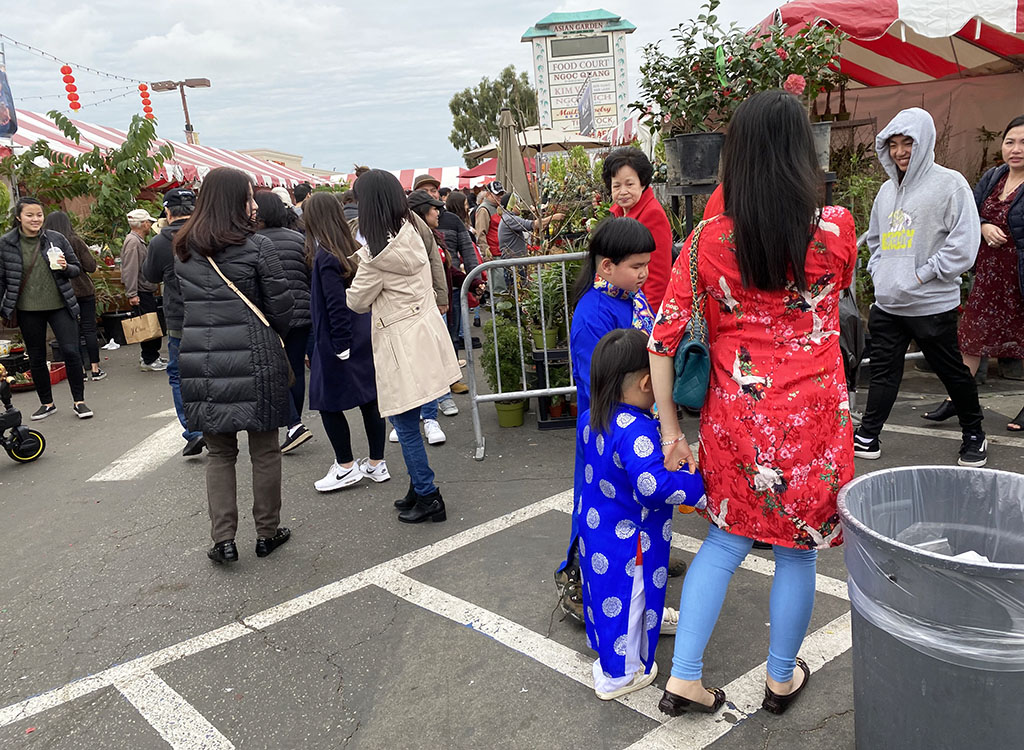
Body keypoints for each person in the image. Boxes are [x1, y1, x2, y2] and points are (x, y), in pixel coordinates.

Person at [648, 90, 857, 717]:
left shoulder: (707, 240)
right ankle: (780, 678)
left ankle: (684, 677)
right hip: (814, 418)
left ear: (733, 156)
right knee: (798, 548)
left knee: (724, 541)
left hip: (738, 415)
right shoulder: (837, 230)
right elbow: (831, 304)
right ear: (802, 154)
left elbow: (663, 340)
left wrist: (670, 430)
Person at [173, 167, 294, 564]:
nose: (255, 204)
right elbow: (282, 309)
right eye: (248, 197)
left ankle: (223, 539)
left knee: (220, 454)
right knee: (265, 450)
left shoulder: (184, 249)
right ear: (232, 201)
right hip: (256, 356)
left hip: (201, 357)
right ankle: (267, 531)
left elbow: (178, 310)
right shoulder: (257, 246)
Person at [854, 107, 987, 467]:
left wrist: (923, 274)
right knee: (883, 371)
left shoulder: (950, 184)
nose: (899, 152)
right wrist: (881, 272)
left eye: (907, 143)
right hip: (889, 303)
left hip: (931, 303)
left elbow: (964, 244)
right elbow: (878, 241)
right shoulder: (885, 191)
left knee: (951, 372)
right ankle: (868, 433)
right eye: (893, 144)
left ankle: (974, 433)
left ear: (924, 141)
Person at [579, 328, 706, 700]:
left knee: (607, 595)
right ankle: (620, 673)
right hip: (631, 539)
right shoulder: (635, 428)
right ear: (650, 381)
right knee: (630, 597)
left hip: (599, 528)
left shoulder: (592, 417)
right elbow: (653, 487)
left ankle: (621, 648)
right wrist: (699, 490)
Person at [346, 170, 462, 524]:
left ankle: (428, 495)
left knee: (406, 425)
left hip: (399, 344)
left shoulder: (376, 256)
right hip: (423, 336)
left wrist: (355, 267)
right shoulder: (410, 232)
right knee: (411, 419)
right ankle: (417, 487)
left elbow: (356, 301)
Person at [556, 217, 656, 623]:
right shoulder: (592, 313)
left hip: (638, 422)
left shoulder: (633, 298)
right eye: (636, 266)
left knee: (635, 502)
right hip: (608, 428)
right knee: (601, 510)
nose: (645, 273)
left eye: (647, 264)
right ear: (606, 266)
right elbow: (599, 382)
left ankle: (643, 563)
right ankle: (580, 583)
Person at [923, 115, 1024, 432]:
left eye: (1023, 143)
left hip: (1019, 275)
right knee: (970, 339)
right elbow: (970, 213)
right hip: (990, 274)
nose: (1016, 149)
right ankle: (958, 400)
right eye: (1010, 141)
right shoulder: (993, 176)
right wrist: (983, 226)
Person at [302, 192, 389, 491]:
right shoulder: (353, 249)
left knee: (326, 402)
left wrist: (339, 344)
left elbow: (335, 304)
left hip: (338, 339)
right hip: (364, 330)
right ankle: (377, 463)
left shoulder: (326, 255)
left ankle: (346, 466)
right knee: (370, 399)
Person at [0, 197, 92, 419]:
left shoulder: (55, 238)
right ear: (19, 218)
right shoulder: (6, 243)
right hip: (27, 309)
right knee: (37, 357)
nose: (35, 219)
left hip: (60, 305)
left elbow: (76, 268)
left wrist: (65, 266)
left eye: (39, 215)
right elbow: (2, 278)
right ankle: (47, 403)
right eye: (29, 215)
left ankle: (79, 401)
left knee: (71, 351)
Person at [143, 188, 205, 457]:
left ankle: (194, 431)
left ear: (167, 212)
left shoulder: (159, 241)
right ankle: (221, 426)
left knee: (180, 374)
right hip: (213, 313)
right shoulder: (208, 233)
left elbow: (151, 275)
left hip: (180, 318)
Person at [255, 191, 314, 453]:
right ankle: (295, 423)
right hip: (302, 313)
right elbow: (309, 276)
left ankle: (294, 424)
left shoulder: (255, 242)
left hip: (271, 316)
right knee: (297, 371)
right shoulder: (298, 238)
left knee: (275, 371)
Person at [407, 188, 459, 430]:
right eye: (433, 207)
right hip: (417, 306)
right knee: (421, 362)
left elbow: (444, 268)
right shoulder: (408, 237)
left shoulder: (433, 235)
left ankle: (434, 410)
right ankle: (423, 414)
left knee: (434, 358)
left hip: (436, 303)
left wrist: (471, 282)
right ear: (420, 212)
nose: (438, 211)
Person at [604, 147, 674, 310]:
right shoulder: (619, 212)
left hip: (643, 310)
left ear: (642, 183)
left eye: (629, 184)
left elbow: (658, 278)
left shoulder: (652, 215)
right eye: (616, 186)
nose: (623, 192)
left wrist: (647, 320)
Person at [42, 211, 104, 381]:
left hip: (61, 293)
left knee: (72, 332)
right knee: (89, 328)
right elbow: (90, 266)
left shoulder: (45, 244)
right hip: (83, 290)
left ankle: (80, 372)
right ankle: (95, 368)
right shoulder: (75, 240)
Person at [122, 208, 166, 372]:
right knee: (147, 326)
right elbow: (130, 269)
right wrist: (132, 293)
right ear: (143, 224)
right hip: (141, 290)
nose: (150, 225)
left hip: (142, 289)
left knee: (149, 323)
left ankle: (150, 356)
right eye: (149, 222)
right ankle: (149, 358)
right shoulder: (134, 243)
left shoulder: (135, 240)